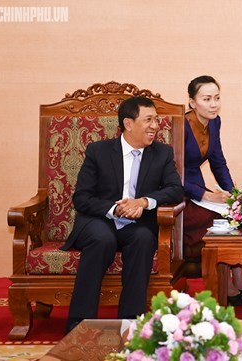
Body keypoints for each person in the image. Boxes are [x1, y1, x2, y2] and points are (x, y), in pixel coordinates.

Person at [62, 96, 184, 333]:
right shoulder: (98, 151)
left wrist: (143, 202)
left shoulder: (162, 153)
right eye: (148, 120)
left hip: (137, 224)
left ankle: (130, 322)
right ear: (128, 124)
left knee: (144, 238)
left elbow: (175, 190)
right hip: (100, 220)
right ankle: (80, 323)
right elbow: (82, 197)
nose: (155, 126)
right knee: (101, 239)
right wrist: (115, 208)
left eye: (157, 120)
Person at [182, 75, 242, 306]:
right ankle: (226, 288)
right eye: (206, 99)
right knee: (216, 221)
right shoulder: (179, 125)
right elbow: (172, 172)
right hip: (181, 192)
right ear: (192, 102)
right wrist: (205, 195)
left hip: (200, 190)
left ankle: (239, 281)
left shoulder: (214, 122)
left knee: (235, 213)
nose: (213, 104)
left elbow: (218, 161)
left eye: (217, 98)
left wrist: (234, 195)